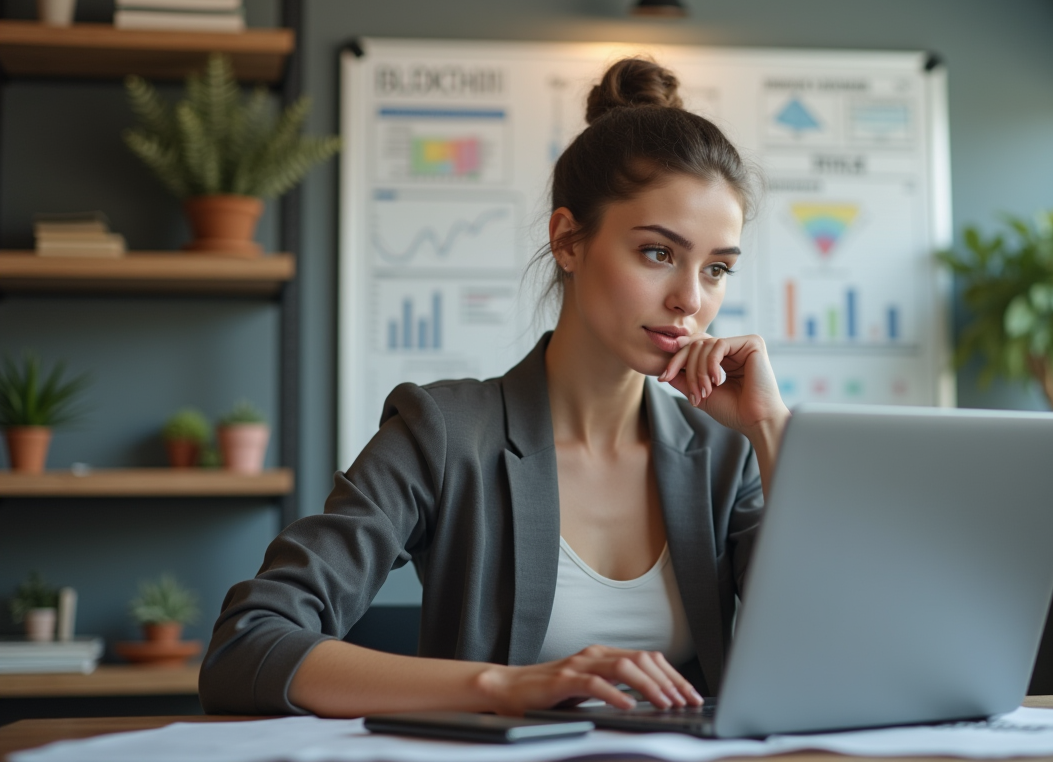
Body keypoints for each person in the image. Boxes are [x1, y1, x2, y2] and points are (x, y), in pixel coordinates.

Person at [199, 58, 791, 718]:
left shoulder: (728, 452)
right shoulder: (443, 432)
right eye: (658, 253)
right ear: (567, 240)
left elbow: (831, 657)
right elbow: (247, 647)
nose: (689, 299)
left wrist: (772, 433)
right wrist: (506, 686)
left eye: (716, 269)